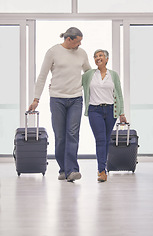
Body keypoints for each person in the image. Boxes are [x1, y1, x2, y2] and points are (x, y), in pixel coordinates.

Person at [28, 27, 91, 182]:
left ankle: (72, 170)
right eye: (78, 41)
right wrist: (36, 99)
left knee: (72, 134)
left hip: (76, 98)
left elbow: (88, 73)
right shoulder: (53, 52)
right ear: (68, 39)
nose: (80, 44)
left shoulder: (82, 53)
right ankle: (63, 169)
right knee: (61, 136)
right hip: (57, 99)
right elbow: (42, 76)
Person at [82, 49, 127, 182]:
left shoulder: (113, 75)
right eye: (95, 56)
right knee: (100, 139)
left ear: (107, 59)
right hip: (94, 110)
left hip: (111, 110)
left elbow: (118, 94)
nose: (98, 58)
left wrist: (121, 113)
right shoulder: (89, 75)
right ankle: (101, 170)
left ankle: (104, 167)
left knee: (106, 140)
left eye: (100, 56)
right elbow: (74, 84)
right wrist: (56, 86)